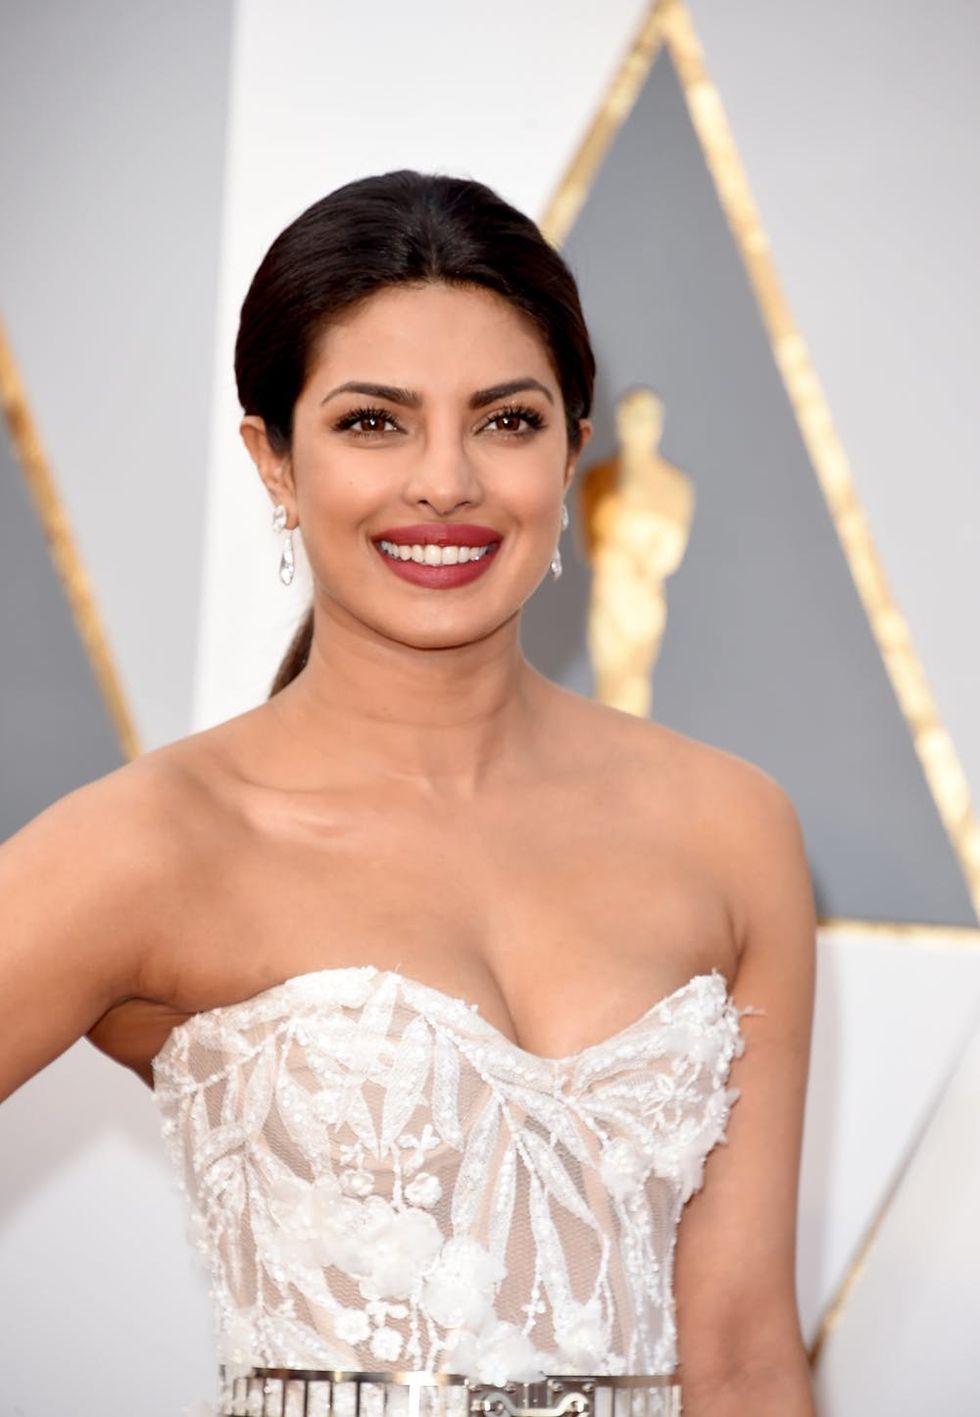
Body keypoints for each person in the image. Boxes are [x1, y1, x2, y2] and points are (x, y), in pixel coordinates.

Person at [0, 170, 816, 1417]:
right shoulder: (158, 842)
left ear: (572, 452)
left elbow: (745, 1352)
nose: (446, 481)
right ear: (272, 459)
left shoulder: (727, 826)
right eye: (373, 421)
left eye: (504, 420)